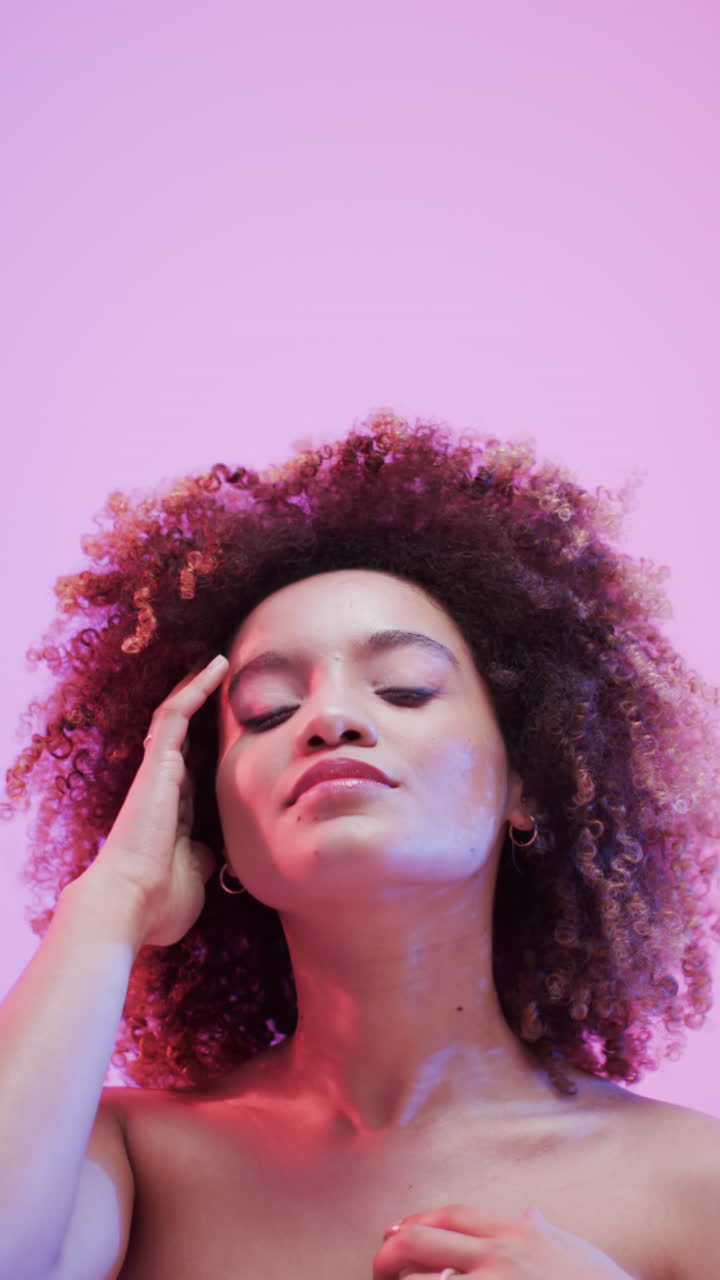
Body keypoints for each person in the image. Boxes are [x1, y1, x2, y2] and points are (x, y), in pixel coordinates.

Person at [2, 409, 720, 1279]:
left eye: (406, 690)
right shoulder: (125, 1163)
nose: (330, 717)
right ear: (214, 823)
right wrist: (111, 900)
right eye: (267, 709)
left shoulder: (694, 1184)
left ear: (527, 784)